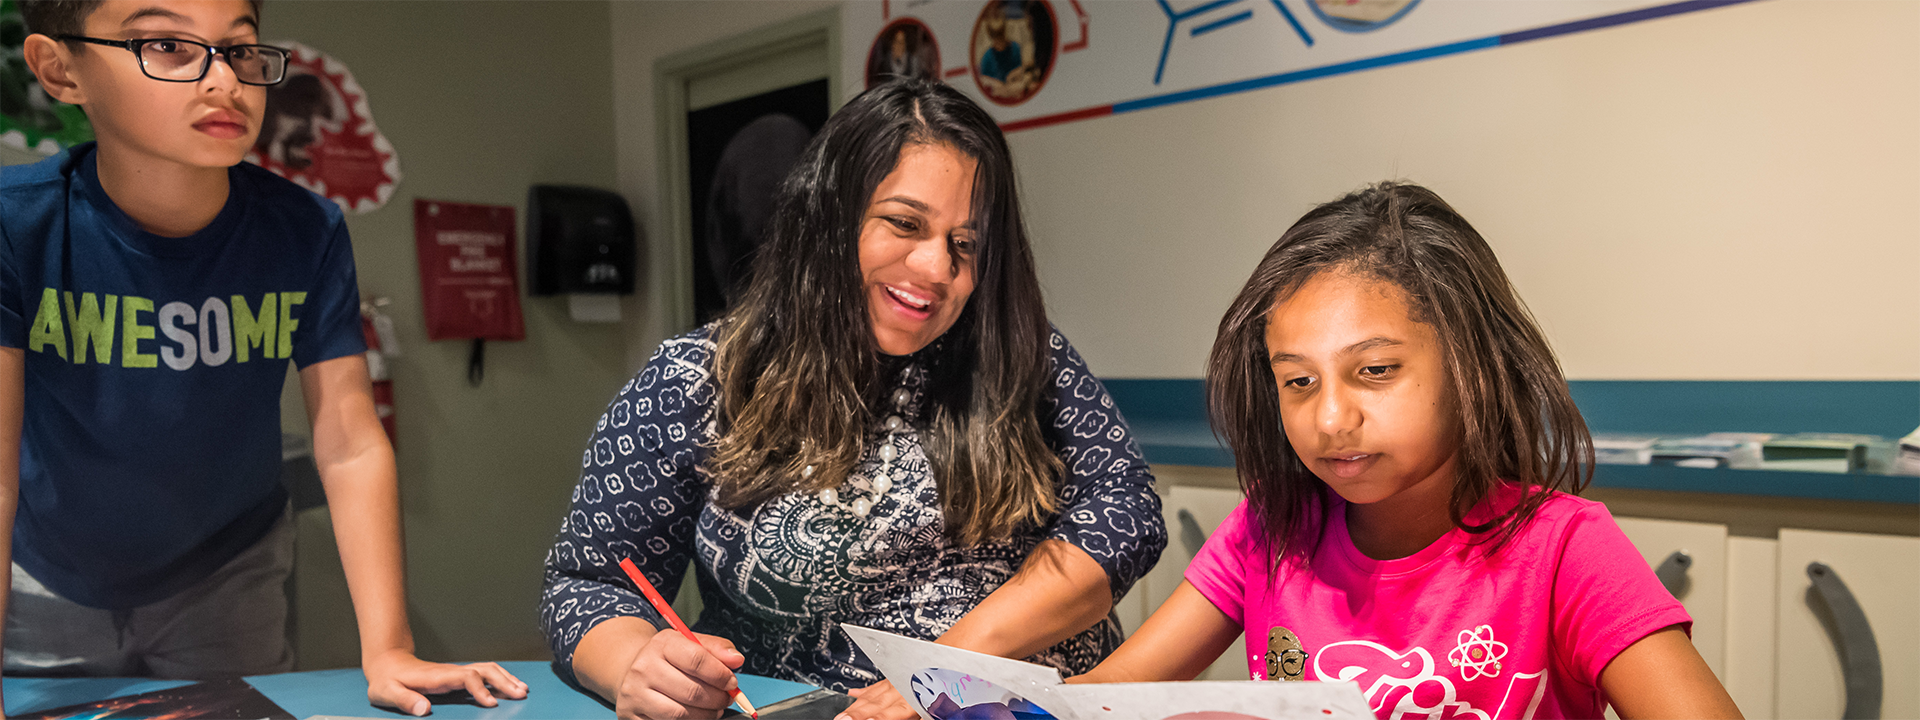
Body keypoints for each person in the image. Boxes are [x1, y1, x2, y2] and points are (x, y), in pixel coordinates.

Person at [542, 78, 1165, 720]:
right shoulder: (698, 377)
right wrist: (633, 665)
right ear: (830, 217)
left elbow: (1126, 511)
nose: (936, 269)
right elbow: (588, 583)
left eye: (966, 244)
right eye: (904, 223)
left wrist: (947, 666)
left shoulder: (1018, 351)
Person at [0, 0, 525, 714]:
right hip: (47, 575)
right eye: (167, 45)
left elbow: (347, 441)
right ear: (61, 70)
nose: (224, 82)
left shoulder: (303, 228)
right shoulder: (18, 223)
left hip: (227, 574)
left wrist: (390, 648)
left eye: (240, 49)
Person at [1069, 183, 1743, 720]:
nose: (1332, 418)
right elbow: (1108, 695)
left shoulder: (1565, 549)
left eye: (1375, 371)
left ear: (1468, 366)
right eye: (1298, 382)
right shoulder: (1268, 529)